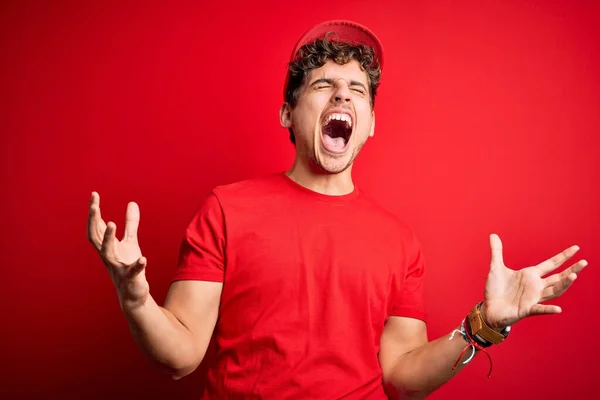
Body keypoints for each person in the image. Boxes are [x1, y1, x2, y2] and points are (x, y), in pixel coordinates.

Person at [87, 20, 588, 399]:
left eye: (358, 91)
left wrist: (485, 325)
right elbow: (181, 356)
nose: (343, 94)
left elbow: (402, 375)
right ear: (288, 112)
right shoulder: (227, 208)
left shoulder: (398, 240)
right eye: (323, 85)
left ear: (369, 123)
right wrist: (134, 295)